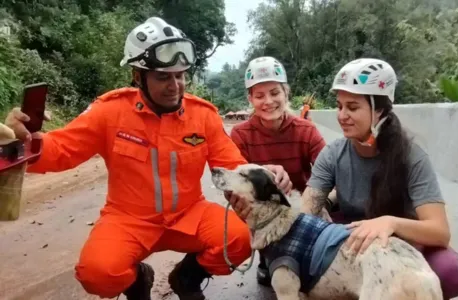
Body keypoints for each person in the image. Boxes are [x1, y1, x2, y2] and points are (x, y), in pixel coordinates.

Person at [4, 17, 292, 300]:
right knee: (97, 274)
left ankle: (186, 279)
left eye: (180, 76)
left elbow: (232, 164)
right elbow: (62, 150)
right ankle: (138, 280)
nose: (175, 86)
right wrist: (24, 141)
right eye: (163, 77)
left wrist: (264, 174)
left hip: (188, 214)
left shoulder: (202, 115)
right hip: (128, 219)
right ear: (138, 76)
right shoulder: (110, 112)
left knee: (240, 239)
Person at [230, 58, 458, 299]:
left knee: (450, 273)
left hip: (405, 242)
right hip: (351, 237)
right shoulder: (333, 154)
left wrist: (390, 223)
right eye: (339, 106)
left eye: (353, 107)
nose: (342, 116)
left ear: (379, 110)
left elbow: (439, 232)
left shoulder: (412, 157)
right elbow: (307, 210)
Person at [229, 56, 327, 286]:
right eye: (259, 95)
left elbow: (328, 171)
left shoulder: (306, 130)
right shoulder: (240, 135)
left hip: (301, 206)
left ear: (286, 93)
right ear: (250, 99)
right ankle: (267, 257)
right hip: (261, 210)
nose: (268, 101)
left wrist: (309, 199)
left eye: (275, 93)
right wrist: (262, 176)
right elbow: (235, 183)